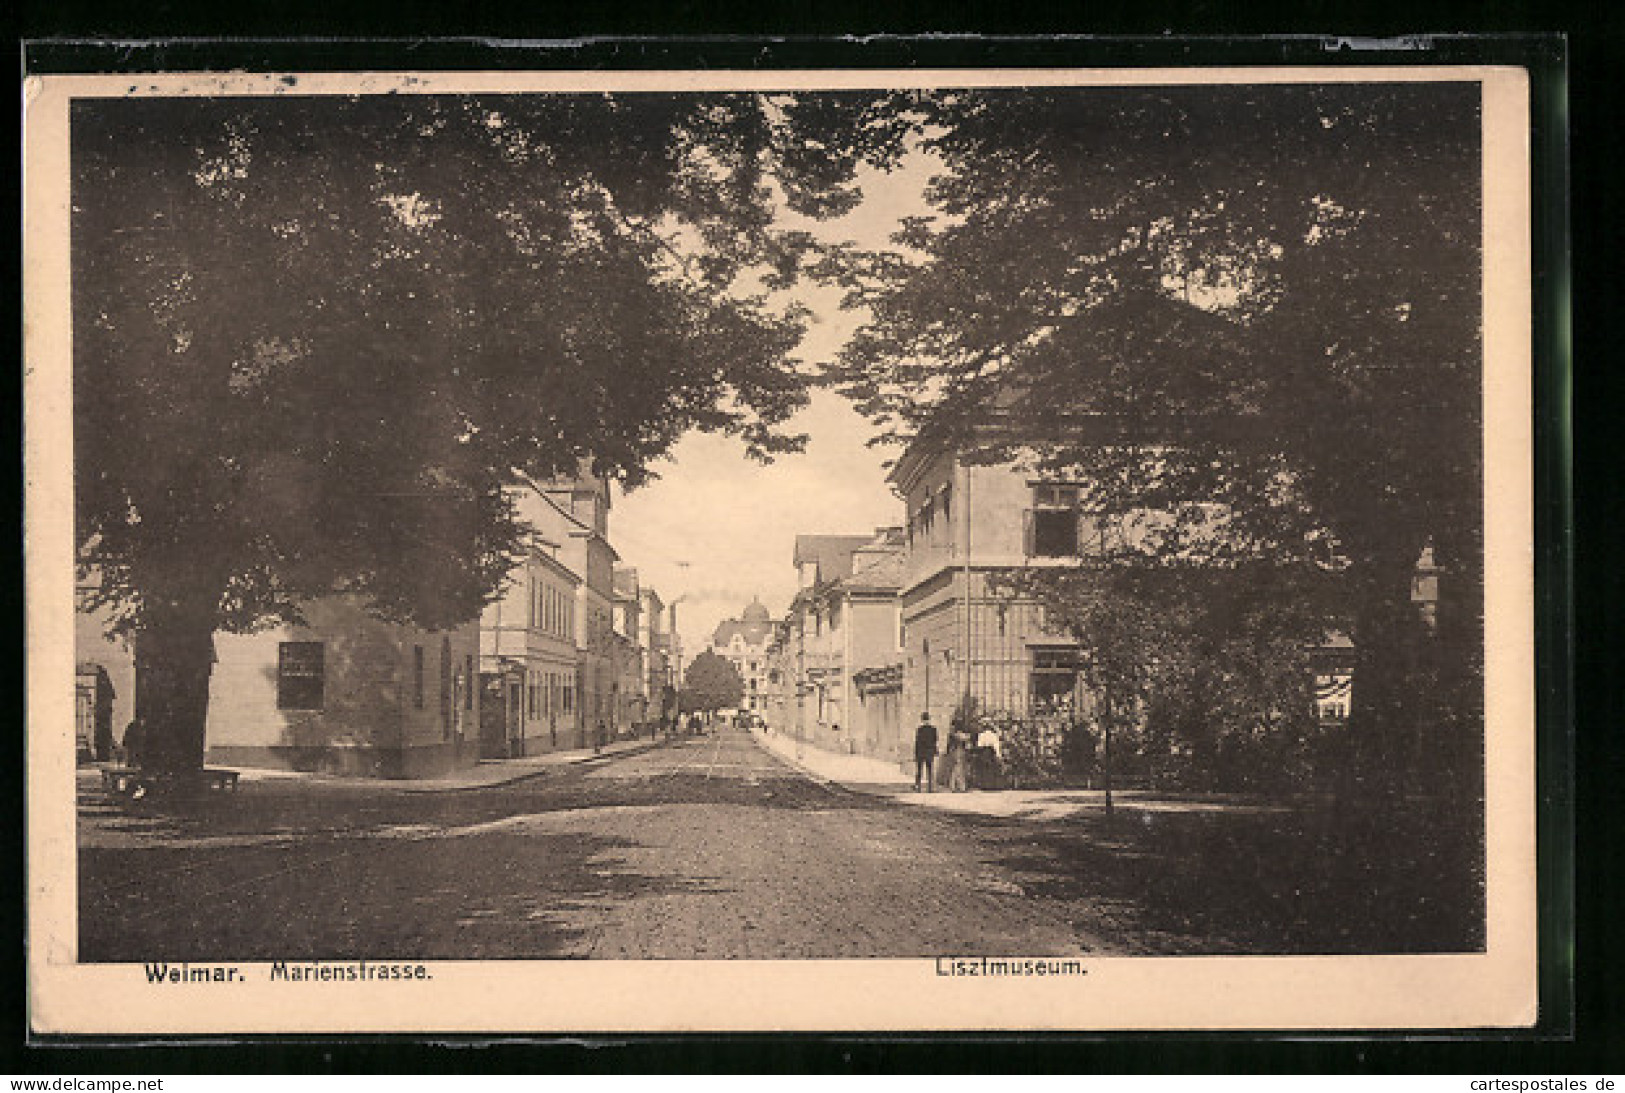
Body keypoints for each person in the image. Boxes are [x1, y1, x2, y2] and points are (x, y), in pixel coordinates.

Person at [974, 722, 1004, 790]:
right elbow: (996, 746)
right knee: (991, 768)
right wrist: (998, 755)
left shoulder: (981, 735)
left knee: (984, 768)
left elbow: (979, 745)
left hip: (984, 752)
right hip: (991, 752)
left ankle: (985, 786)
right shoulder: (994, 735)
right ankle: (992, 786)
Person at [913, 713, 938, 792]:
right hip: (929, 751)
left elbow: (917, 742)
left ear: (922, 720)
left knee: (919, 769)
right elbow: (935, 741)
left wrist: (916, 753)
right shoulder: (933, 729)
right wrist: (934, 751)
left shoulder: (920, 729)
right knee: (930, 770)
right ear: (929, 719)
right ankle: (930, 787)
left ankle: (918, 786)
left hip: (921, 752)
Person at [946, 722, 972, 792]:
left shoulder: (952, 734)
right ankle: (960, 786)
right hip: (958, 752)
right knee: (959, 768)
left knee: (956, 768)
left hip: (954, 752)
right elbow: (965, 739)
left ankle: (954, 785)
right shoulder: (957, 735)